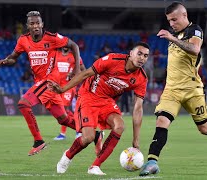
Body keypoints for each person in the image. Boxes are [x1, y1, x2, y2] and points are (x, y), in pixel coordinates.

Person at [139, 2, 207, 176]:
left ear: (184, 15)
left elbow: (194, 49)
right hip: (172, 90)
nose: (171, 24)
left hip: (192, 90)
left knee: (205, 128)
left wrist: (172, 38)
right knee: (162, 121)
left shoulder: (195, 30)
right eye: (169, 21)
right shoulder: (175, 34)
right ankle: (152, 162)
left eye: (174, 19)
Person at [47, 42, 150, 175]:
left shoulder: (141, 78)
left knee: (119, 126)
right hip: (88, 96)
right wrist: (62, 89)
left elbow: (138, 108)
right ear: (131, 54)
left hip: (107, 101)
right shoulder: (113, 59)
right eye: (139, 54)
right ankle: (67, 156)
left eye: (146, 56)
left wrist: (136, 140)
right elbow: (86, 74)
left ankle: (95, 166)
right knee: (88, 138)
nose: (142, 58)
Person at [0, 10, 83, 156]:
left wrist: (77, 70)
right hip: (42, 84)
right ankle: (95, 134)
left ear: (42, 24)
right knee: (64, 119)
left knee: (23, 104)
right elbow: (14, 57)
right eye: (32, 23)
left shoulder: (52, 38)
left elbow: (74, 45)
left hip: (50, 81)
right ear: (28, 26)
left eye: (37, 23)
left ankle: (38, 141)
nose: (35, 26)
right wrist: (6, 60)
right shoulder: (23, 40)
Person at [53, 46, 86, 141]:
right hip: (57, 86)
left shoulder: (75, 57)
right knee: (61, 110)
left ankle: (63, 134)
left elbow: (83, 70)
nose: (65, 46)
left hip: (69, 86)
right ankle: (78, 129)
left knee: (63, 108)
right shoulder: (56, 55)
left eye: (67, 44)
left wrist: (75, 74)